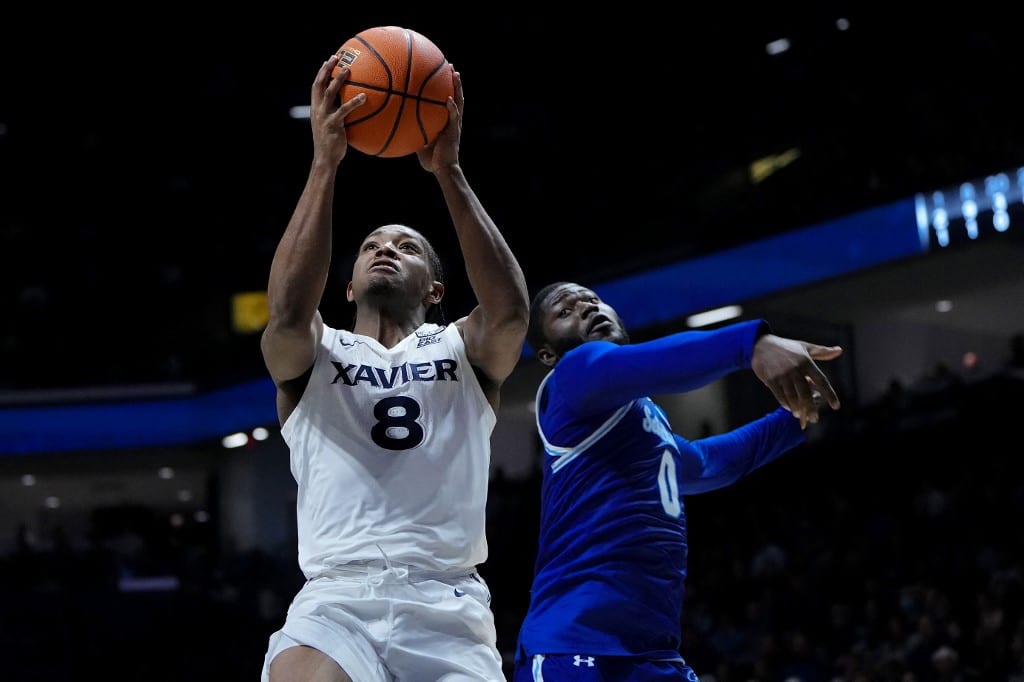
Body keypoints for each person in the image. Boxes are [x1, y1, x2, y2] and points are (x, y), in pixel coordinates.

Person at [260, 53, 529, 681]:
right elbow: (286, 311)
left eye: (406, 246)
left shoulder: (462, 348)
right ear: (347, 286)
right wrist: (325, 164)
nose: (385, 249)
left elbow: (512, 313)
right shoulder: (315, 352)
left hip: (447, 600)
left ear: (435, 289)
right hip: (336, 598)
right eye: (372, 246)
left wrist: (449, 172)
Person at [513, 281, 844, 681]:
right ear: (548, 354)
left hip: (650, 651)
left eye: (594, 301)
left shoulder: (641, 416)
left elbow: (706, 464)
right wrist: (751, 345)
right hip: (575, 647)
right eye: (566, 311)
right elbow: (657, 362)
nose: (587, 308)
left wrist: (793, 417)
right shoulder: (573, 376)